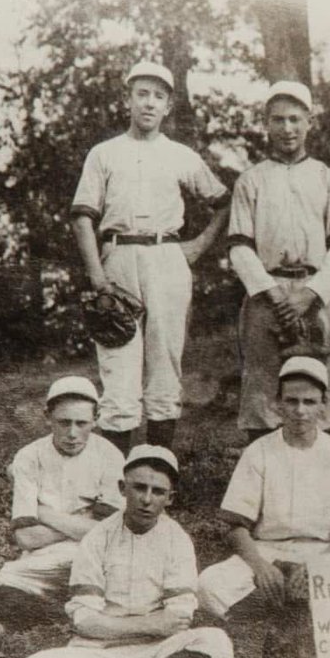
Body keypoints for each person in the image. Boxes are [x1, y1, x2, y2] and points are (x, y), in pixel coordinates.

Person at [70, 61, 230, 455]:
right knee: (119, 374)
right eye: (142, 93)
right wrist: (98, 279)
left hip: (167, 258)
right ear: (127, 99)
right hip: (118, 258)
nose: (149, 103)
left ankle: (158, 475)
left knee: (164, 369)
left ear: (169, 106)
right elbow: (81, 218)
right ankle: (112, 481)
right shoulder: (104, 154)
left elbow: (225, 202)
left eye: (158, 96)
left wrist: (197, 245)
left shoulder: (181, 156)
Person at [15, 445, 233, 658]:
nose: (146, 499)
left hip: (158, 650)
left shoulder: (177, 540)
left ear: (170, 498)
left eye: (158, 492)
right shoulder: (97, 538)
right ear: (121, 488)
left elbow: (178, 619)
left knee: (218, 643)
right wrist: (150, 624)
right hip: (100, 652)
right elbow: (84, 621)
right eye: (138, 488)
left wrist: (146, 627)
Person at [227, 81, 330, 441]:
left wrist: (312, 293)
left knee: (323, 382)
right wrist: (273, 294)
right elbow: (239, 246)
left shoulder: (329, 179)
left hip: (319, 294)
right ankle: (264, 481)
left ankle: (323, 479)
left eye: (295, 119)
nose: (287, 128)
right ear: (266, 123)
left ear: (309, 122)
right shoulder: (251, 181)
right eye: (279, 120)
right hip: (266, 294)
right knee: (264, 389)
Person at [197, 357, 330, 617]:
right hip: (267, 549)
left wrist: (319, 567)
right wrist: (259, 567)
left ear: (323, 406)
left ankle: (281, 605)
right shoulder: (259, 451)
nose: (300, 410)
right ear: (278, 404)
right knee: (209, 585)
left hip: (319, 551)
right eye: (292, 401)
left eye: (309, 402)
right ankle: (289, 606)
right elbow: (235, 526)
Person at [0, 376, 124, 636]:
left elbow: (111, 530)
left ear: (96, 419)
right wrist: (83, 519)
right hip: (44, 556)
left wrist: (43, 512)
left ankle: (26, 609)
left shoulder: (109, 455)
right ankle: (55, 606)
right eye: (63, 422)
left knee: (109, 564)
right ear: (47, 417)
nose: (72, 433)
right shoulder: (29, 457)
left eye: (81, 423)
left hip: (95, 553)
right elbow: (25, 537)